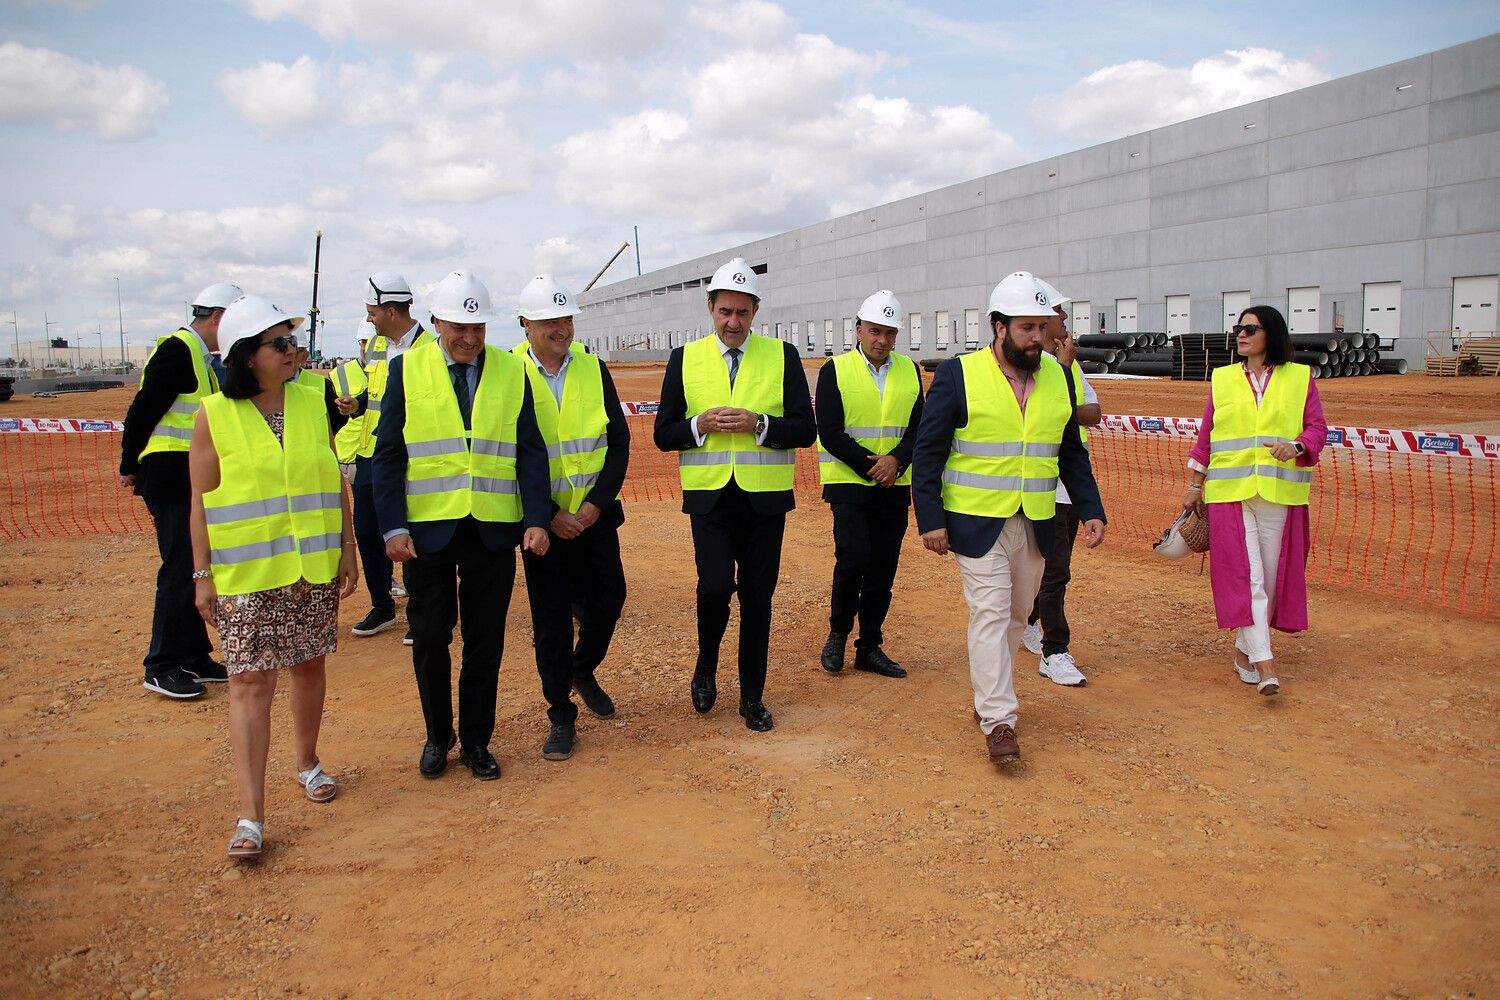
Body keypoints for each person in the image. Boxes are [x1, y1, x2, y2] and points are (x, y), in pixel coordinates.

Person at [186, 294, 358, 860]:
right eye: (279, 342)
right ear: (246, 354)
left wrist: (347, 548)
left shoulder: (313, 401)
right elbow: (200, 500)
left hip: (311, 566)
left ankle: (307, 762)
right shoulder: (214, 414)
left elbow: (332, 479)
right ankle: (251, 817)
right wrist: (202, 574)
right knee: (249, 684)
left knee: (309, 666)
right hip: (246, 575)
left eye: (292, 340)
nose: (293, 350)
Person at [912, 271, 1107, 766]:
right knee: (991, 613)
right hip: (976, 523)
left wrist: (1090, 508)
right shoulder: (959, 374)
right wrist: (929, 517)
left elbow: (1069, 451)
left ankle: (987, 690)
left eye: (1043, 328)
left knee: (1019, 616)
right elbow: (929, 451)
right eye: (1027, 328)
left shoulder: (1057, 379)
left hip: (1037, 520)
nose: (1038, 338)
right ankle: (999, 719)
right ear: (999, 327)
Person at [372, 270, 553, 780]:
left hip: (493, 530)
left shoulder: (512, 372)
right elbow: (388, 456)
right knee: (430, 637)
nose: (470, 338)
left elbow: (530, 452)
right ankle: (438, 735)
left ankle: (476, 740)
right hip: (427, 533)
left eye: (478, 328)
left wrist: (536, 517)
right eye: (459, 327)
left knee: (485, 641)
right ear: (436, 323)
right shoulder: (407, 371)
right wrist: (392, 528)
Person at [653, 257, 816, 731]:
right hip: (710, 499)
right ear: (710, 308)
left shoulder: (781, 355)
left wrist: (759, 425)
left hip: (764, 500)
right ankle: (706, 665)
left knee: (758, 597)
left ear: (755, 311)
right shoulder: (685, 359)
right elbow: (664, 433)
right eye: (725, 312)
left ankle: (752, 696)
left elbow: (804, 429)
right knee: (714, 588)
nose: (733, 322)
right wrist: (698, 426)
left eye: (742, 313)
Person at [512, 275, 631, 759]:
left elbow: (617, 442)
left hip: (593, 517)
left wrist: (592, 507)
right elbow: (511, 454)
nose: (561, 328)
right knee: (552, 624)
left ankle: (583, 669)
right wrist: (547, 515)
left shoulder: (592, 368)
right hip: (542, 525)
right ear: (526, 325)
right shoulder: (506, 374)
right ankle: (560, 712)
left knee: (608, 602)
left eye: (566, 318)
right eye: (549, 320)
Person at [1182, 305, 1326, 697]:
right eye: (1238, 329)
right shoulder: (1224, 379)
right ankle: (1266, 663)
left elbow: (1317, 429)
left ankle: (1246, 649)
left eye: (1250, 328)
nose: (1241, 335)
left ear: (1271, 335)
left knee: (1272, 578)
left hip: (1280, 494)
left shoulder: (1299, 378)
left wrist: (1296, 446)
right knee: (1249, 576)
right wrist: (1195, 485)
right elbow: (1207, 435)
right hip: (1231, 494)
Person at [120, 282, 242, 699]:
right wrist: (129, 463)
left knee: (194, 562)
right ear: (218, 318)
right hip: (169, 473)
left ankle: (192, 656)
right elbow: (144, 407)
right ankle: (162, 663)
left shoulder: (201, 358)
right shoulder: (177, 350)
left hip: (187, 473)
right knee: (179, 566)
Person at [815, 289, 924, 679]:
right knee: (853, 559)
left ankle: (870, 646)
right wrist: (873, 468)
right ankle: (838, 634)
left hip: (895, 485)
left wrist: (896, 461)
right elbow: (829, 431)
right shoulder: (835, 369)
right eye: (875, 331)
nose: (882, 340)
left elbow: (918, 427)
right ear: (859, 328)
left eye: (890, 333)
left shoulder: (909, 371)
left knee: (883, 567)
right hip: (850, 484)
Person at [1020, 280, 1102, 687]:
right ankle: (1055, 649)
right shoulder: (1037, 366)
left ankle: (1030, 623)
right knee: (1052, 572)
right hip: (1038, 485)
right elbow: (1057, 411)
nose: (1065, 321)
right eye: (1059, 313)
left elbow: (1091, 412)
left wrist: (1068, 371)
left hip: (1069, 486)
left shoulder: (1067, 364)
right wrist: (1066, 371)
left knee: (1051, 571)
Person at [349, 272, 432, 640]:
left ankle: (421, 611)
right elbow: (377, 393)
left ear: (391, 310)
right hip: (372, 453)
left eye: (372, 312)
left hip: (414, 455)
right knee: (368, 532)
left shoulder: (431, 347)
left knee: (413, 531)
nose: (369, 319)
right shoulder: (379, 348)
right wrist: (356, 405)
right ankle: (382, 605)